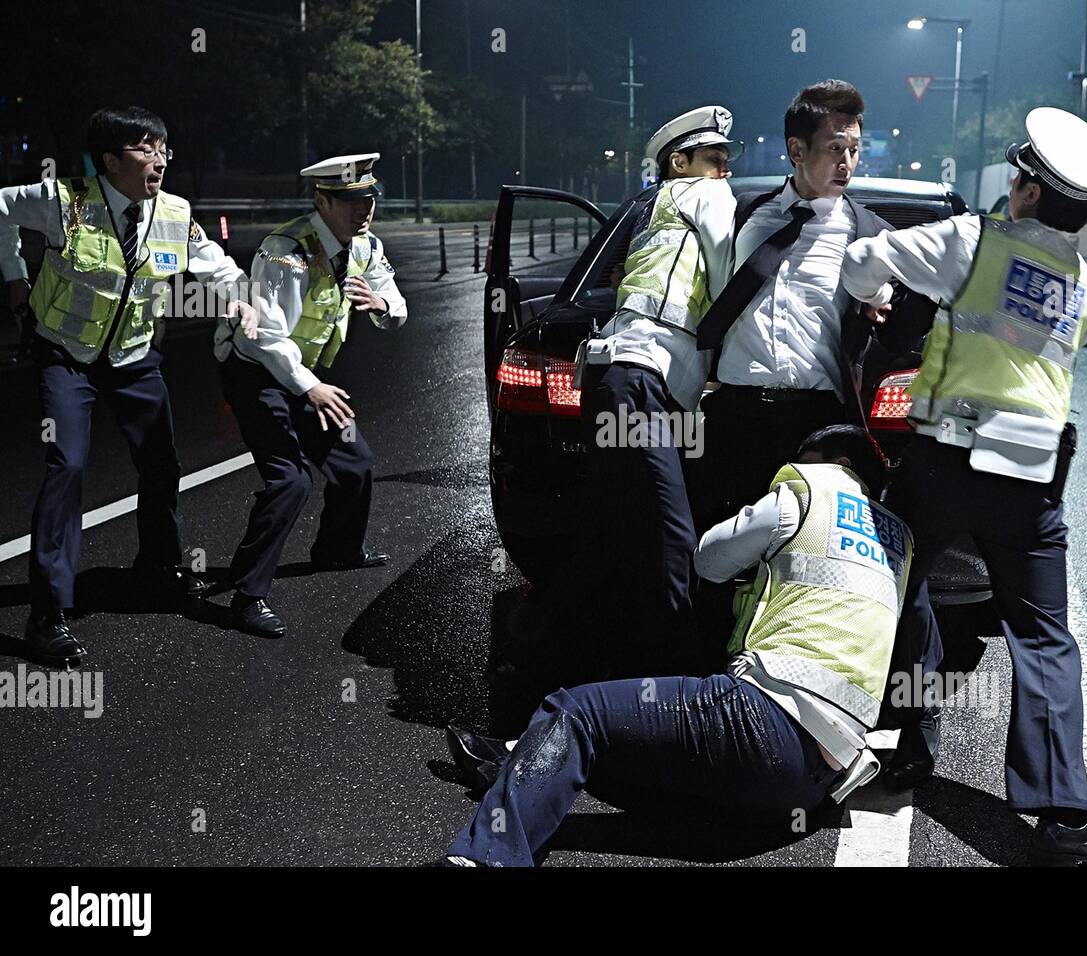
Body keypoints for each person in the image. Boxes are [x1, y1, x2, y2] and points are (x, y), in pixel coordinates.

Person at [841, 107, 1087, 866]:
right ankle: (1063, 818)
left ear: (1030, 194)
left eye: (1018, 178)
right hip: (1031, 483)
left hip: (943, 466)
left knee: (900, 589)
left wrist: (878, 300)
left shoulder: (968, 242)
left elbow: (861, 263)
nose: (1011, 186)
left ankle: (906, 743)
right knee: (1043, 636)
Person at [440, 425, 910, 866]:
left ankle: (487, 858)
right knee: (627, 747)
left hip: (763, 722)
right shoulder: (899, 541)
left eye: (806, 460)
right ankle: (511, 768)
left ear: (838, 461)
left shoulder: (809, 494)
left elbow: (708, 558)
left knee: (575, 714)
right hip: (815, 779)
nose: (797, 467)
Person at [0, 106, 252, 666]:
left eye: (164, 148)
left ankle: (158, 573)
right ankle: (48, 613)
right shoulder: (62, 199)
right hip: (66, 355)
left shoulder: (175, 212)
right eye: (146, 149)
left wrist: (237, 295)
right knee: (66, 466)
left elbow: (216, 264)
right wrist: (14, 276)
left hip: (135, 358)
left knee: (162, 464)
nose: (160, 159)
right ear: (110, 160)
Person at [691, 80, 936, 532]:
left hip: (816, 423)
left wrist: (889, 306)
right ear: (797, 150)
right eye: (835, 148)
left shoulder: (870, 239)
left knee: (805, 551)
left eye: (855, 150)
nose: (847, 163)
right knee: (718, 552)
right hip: (735, 416)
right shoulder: (742, 216)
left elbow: (903, 332)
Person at [573, 105, 741, 677]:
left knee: (622, 531)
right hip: (643, 382)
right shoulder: (705, 196)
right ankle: (677, 676)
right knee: (673, 534)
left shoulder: (651, 212)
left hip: (614, 380)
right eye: (714, 159)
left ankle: (604, 666)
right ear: (681, 162)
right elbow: (729, 278)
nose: (725, 170)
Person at [214, 153, 406, 639]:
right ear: (321, 200)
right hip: (256, 371)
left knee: (354, 461)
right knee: (291, 481)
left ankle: (337, 550)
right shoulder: (286, 252)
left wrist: (382, 304)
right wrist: (311, 388)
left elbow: (396, 304)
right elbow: (266, 337)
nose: (363, 210)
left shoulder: (364, 246)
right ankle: (247, 595)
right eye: (349, 201)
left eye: (368, 199)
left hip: (306, 374)